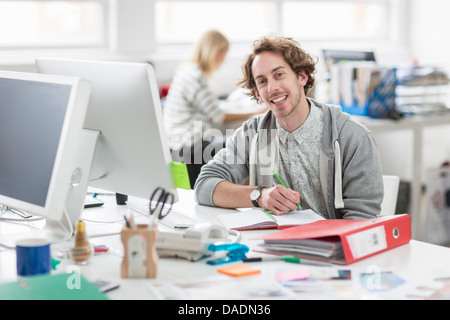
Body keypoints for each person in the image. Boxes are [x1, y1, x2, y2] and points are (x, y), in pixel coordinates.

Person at [194, 35, 384, 219]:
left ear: (302, 77)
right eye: (262, 81)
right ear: (257, 94)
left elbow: (361, 221)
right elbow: (204, 185)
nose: (272, 88)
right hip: (271, 246)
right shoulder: (251, 134)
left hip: (332, 248)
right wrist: (259, 196)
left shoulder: (353, 137)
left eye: (279, 75)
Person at [163, 30, 264, 188]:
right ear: (216, 52)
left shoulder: (187, 70)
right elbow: (219, 116)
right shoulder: (195, 76)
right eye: (224, 54)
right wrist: (257, 111)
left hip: (177, 141)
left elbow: (208, 108)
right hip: (188, 144)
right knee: (244, 144)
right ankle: (249, 194)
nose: (223, 60)